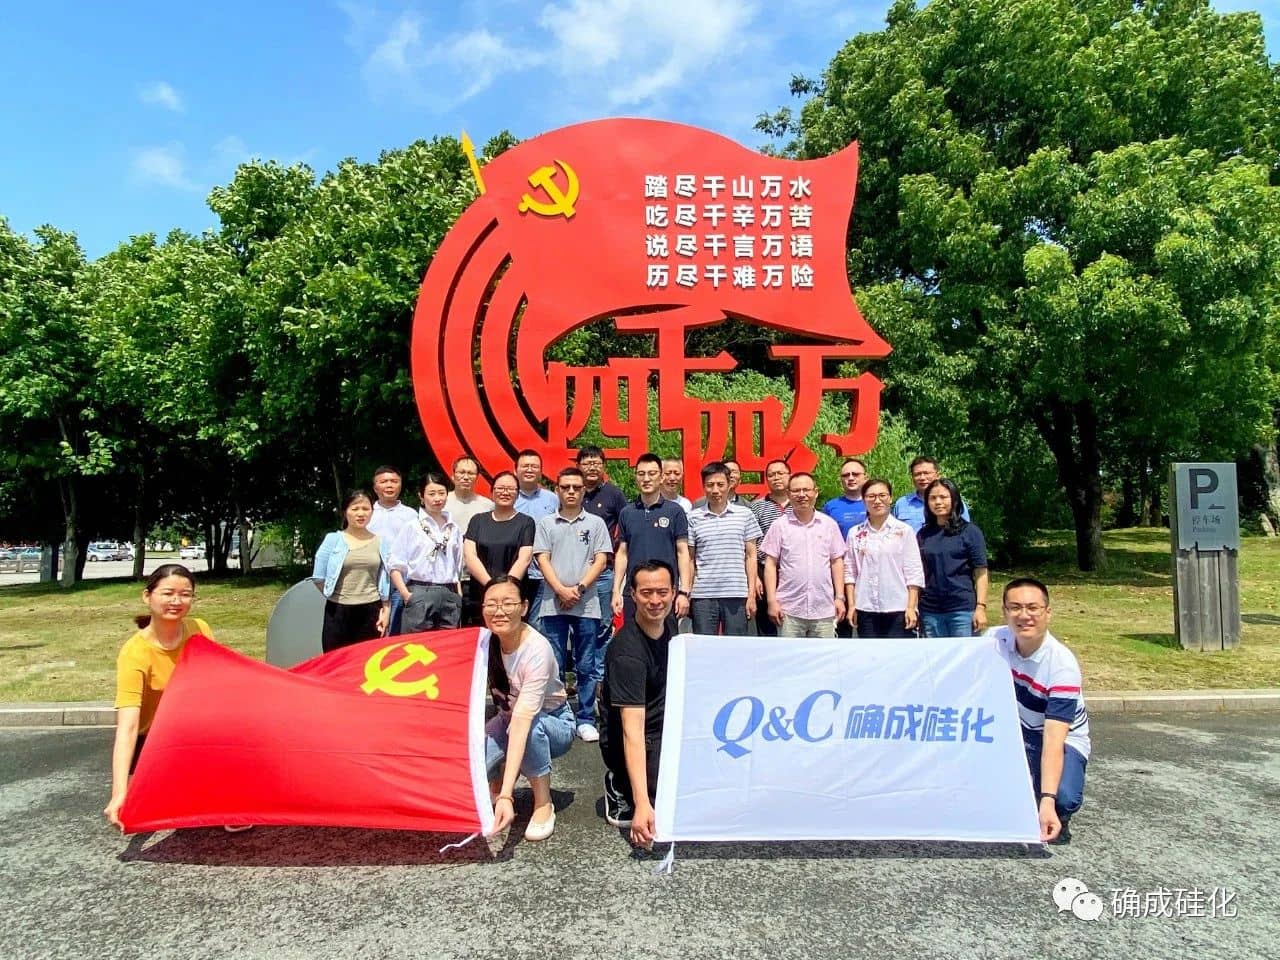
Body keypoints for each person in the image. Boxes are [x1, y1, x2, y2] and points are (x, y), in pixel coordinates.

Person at [105, 565, 244, 831]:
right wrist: (118, 792)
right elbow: (128, 727)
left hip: (191, 729)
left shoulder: (199, 628)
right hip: (151, 740)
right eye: (168, 593)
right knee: (152, 803)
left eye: (185, 594)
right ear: (147, 596)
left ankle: (222, 791)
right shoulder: (134, 653)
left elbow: (216, 682)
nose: (177, 601)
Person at [987, 577, 1090, 843]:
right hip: (1015, 731)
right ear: (1004, 612)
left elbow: (1054, 741)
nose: (1024, 616)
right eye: (1015, 607)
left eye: (1033, 608)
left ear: (1048, 612)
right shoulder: (992, 641)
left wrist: (1047, 800)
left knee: (1063, 797)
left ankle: (1054, 811)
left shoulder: (1062, 666)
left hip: (1059, 738)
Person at [483, 576, 575, 842]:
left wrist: (507, 796)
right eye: (491, 604)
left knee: (529, 727)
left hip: (552, 722)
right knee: (471, 761)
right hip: (506, 719)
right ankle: (498, 777)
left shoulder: (537, 650)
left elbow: (522, 721)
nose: (499, 611)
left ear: (523, 607)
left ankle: (543, 802)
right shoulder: (485, 642)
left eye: (507, 603)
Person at [599, 560, 676, 847]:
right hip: (635, 737)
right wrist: (643, 804)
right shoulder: (627, 654)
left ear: (673, 592)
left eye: (662, 592)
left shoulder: (670, 627)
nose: (655, 601)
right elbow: (631, 731)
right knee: (662, 805)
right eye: (646, 593)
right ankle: (620, 783)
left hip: (664, 725)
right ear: (632, 595)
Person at [533, 467, 611, 741]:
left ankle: (586, 717)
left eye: (576, 487)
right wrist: (560, 590)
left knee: (586, 663)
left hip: (586, 603)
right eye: (565, 487)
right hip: (552, 603)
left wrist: (577, 590)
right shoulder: (546, 523)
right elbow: (542, 559)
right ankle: (558, 714)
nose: (571, 492)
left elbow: (601, 560)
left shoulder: (596, 523)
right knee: (554, 662)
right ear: (557, 490)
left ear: (583, 491)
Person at [761, 472, 846, 638]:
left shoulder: (829, 524)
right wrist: (771, 601)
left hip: (823, 608)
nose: (801, 495)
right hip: (788, 609)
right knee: (789, 654)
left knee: (824, 654)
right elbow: (770, 564)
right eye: (796, 490)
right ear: (788, 494)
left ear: (816, 492)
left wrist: (840, 598)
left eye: (806, 490)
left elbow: (837, 562)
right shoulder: (779, 525)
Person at [612, 453, 692, 623]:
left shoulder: (675, 511)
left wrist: (684, 592)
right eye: (641, 474)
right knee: (634, 637)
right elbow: (622, 553)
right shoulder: (627, 513)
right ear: (636, 477)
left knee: (667, 639)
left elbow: (683, 552)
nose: (646, 479)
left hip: (665, 593)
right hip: (635, 593)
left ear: (661, 477)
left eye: (652, 473)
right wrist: (616, 590)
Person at [843, 478, 924, 639]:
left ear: (890, 498)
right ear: (864, 500)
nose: (877, 501)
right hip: (865, 607)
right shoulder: (855, 533)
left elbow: (914, 572)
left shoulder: (904, 531)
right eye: (871, 496)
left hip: (898, 607)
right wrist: (852, 605)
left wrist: (911, 607)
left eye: (882, 495)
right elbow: (850, 572)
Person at [687, 461, 761, 635]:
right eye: (710, 485)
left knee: (735, 646)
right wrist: (688, 592)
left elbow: (751, 556)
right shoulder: (693, 517)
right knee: (704, 645)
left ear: (729, 484)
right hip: (703, 595)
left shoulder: (745, 515)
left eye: (720, 484)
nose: (715, 490)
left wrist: (751, 595)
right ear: (703, 486)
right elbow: (689, 559)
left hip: (737, 593)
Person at [313, 490, 391, 652]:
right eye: (355, 509)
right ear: (345, 512)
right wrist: (335, 595)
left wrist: (386, 609)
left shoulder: (381, 542)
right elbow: (319, 577)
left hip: (371, 610)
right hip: (338, 611)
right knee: (336, 659)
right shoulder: (333, 540)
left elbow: (385, 579)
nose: (361, 514)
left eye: (366, 509)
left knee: (367, 660)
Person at [389, 471, 463, 633]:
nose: (437, 498)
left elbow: (457, 565)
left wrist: (458, 595)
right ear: (421, 496)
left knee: (448, 644)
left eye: (441, 493)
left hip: (449, 593)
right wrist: (407, 595)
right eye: (431, 493)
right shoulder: (412, 526)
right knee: (417, 645)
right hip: (419, 592)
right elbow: (394, 565)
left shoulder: (454, 528)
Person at [917, 478, 990, 638]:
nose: (938, 502)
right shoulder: (923, 534)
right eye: (933, 498)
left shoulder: (970, 532)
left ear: (954, 500)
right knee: (934, 654)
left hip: (962, 608)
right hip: (930, 610)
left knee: (964, 653)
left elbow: (981, 572)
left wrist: (981, 607)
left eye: (943, 497)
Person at [464, 472, 536, 618]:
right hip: (481, 592)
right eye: (500, 488)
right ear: (492, 491)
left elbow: (525, 558)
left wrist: (506, 588)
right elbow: (469, 556)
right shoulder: (477, 520)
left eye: (510, 489)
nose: (505, 492)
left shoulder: (526, 522)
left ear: (517, 494)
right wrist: (491, 586)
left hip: (512, 596)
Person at [578, 445, 626, 651]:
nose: (592, 467)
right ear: (578, 466)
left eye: (596, 463)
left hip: (604, 571)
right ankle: (581, 668)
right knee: (579, 624)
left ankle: (600, 668)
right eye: (587, 463)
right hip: (576, 571)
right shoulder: (572, 492)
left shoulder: (613, 494)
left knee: (604, 623)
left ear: (603, 466)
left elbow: (625, 526)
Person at [368, 465, 419, 635]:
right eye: (384, 482)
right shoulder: (367, 513)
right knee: (373, 633)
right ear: (375, 487)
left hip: (402, 583)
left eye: (394, 481)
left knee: (398, 633)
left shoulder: (412, 515)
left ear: (400, 485)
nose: (389, 485)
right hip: (372, 584)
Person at [445, 456, 494, 626]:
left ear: (477, 477)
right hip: (448, 578)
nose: (466, 477)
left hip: (477, 577)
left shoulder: (487, 506)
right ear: (453, 475)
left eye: (471, 473)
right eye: (462, 472)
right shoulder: (442, 503)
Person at [513, 449, 559, 623]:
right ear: (515, 470)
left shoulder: (553, 499)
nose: (529, 470)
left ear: (541, 472)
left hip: (543, 573)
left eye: (534, 466)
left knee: (538, 624)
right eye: (525, 466)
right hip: (514, 572)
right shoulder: (508, 497)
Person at [748, 459, 791, 637]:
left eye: (780, 473)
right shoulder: (757, 507)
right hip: (764, 569)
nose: (776, 478)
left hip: (792, 571)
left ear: (789, 475)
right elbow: (750, 544)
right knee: (767, 625)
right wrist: (755, 577)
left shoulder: (800, 504)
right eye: (771, 475)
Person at [892, 456, 970, 532]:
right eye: (917, 474)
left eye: (926, 473)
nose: (922, 478)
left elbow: (965, 531)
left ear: (937, 475)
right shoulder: (902, 503)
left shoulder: (952, 503)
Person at [822, 457, 869, 539]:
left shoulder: (875, 503)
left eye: (855, 474)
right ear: (841, 480)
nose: (851, 478)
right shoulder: (830, 506)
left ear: (866, 478)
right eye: (846, 475)